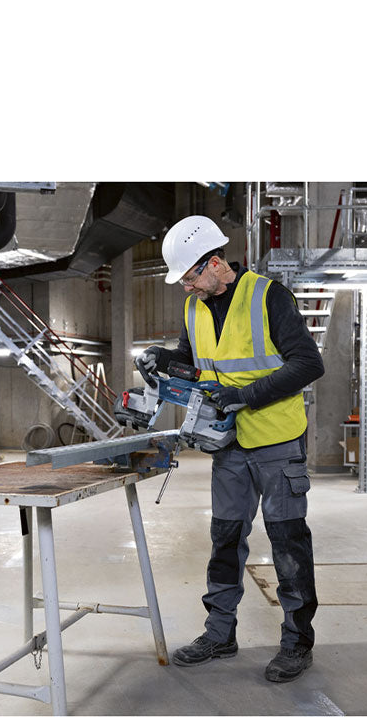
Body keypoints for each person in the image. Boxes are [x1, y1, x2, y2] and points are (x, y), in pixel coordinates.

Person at [137, 214, 324, 683]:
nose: (186, 288)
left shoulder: (268, 296)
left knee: (287, 543)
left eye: (190, 277)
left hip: (277, 442)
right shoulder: (195, 308)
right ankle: (220, 633)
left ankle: (297, 643)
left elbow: (308, 363)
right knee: (224, 539)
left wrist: (246, 395)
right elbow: (193, 360)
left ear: (216, 263)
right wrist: (163, 358)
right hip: (227, 444)